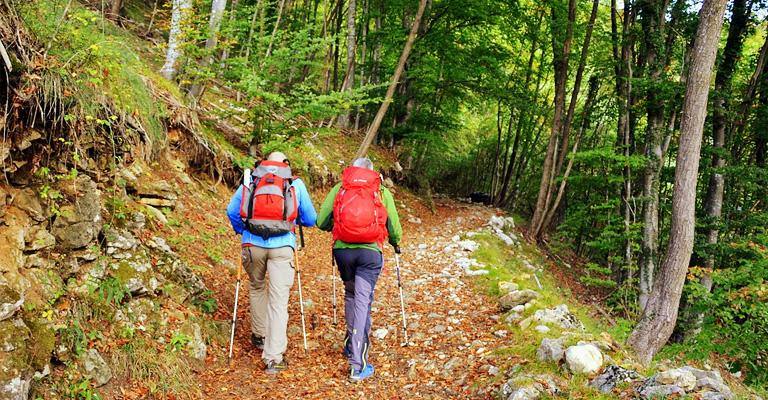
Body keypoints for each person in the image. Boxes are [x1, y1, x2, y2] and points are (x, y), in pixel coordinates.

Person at [226, 151, 317, 374]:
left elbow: (232, 211)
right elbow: (311, 219)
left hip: (252, 245)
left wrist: (243, 230)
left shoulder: (252, 180)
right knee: (278, 299)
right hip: (282, 246)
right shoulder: (294, 183)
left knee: (257, 286)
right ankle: (274, 357)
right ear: (285, 164)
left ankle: (259, 335)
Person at [317, 157, 402, 382]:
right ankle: (358, 364)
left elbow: (321, 220)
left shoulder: (340, 188)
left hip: (343, 252)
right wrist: (396, 242)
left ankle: (349, 343)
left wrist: (336, 227)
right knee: (363, 301)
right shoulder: (380, 190)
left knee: (352, 294)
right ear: (372, 172)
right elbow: (393, 226)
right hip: (369, 254)